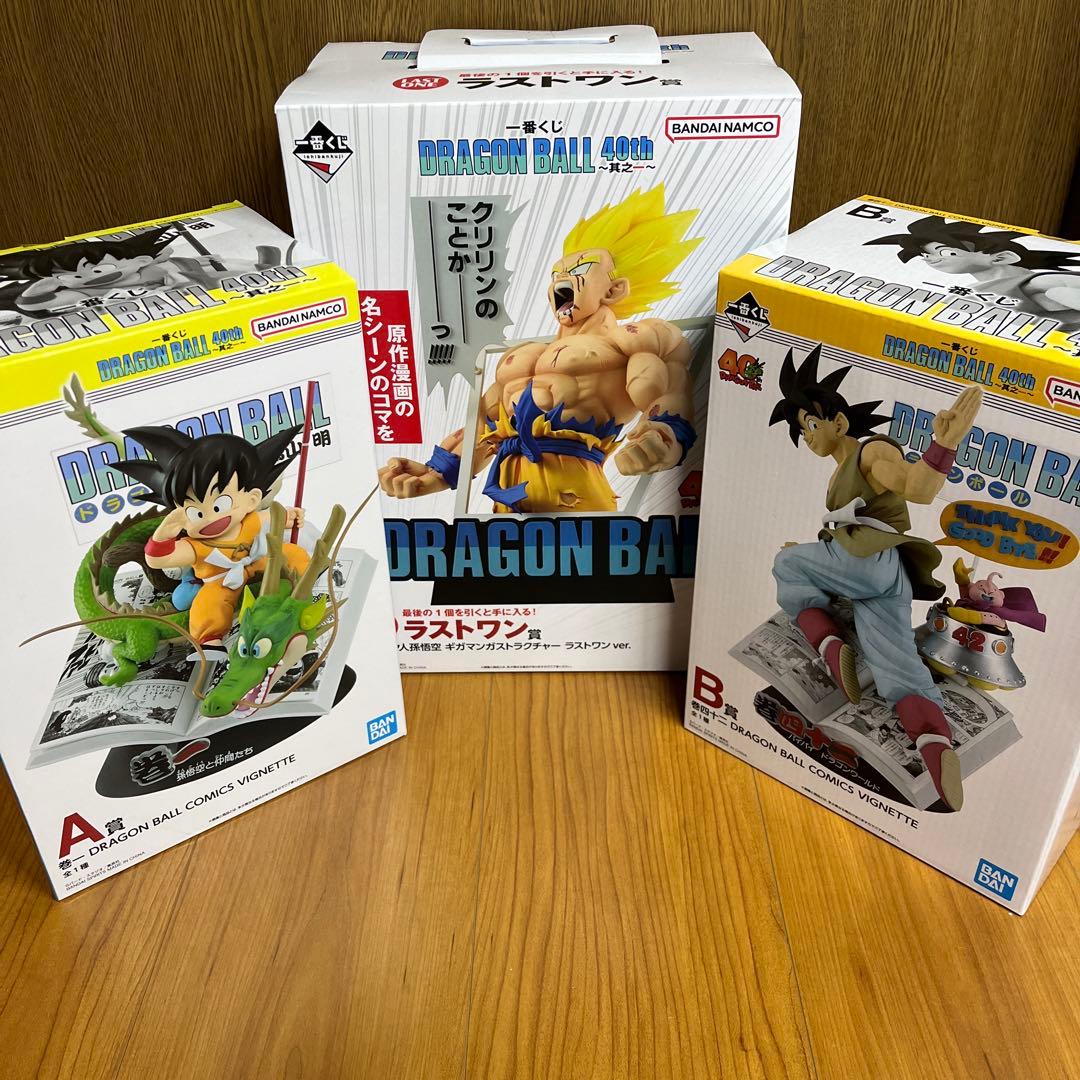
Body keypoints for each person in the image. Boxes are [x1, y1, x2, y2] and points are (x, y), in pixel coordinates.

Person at [378, 185, 702, 512]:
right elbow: (486, 427)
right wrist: (435, 474)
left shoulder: (634, 338)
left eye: (578, 270)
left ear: (614, 289)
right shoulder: (522, 357)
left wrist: (662, 438)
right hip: (506, 501)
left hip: (577, 496)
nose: (560, 279)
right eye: (556, 273)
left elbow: (666, 390)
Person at [769, 344, 982, 810]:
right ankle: (935, 744)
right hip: (889, 577)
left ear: (839, 422)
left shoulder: (872, 452)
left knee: (787, 565)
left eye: (810, 424)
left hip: (870, 563)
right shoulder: (843, 471)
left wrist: (944, 444)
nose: (806, 437)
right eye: (800, 430)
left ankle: (830, 646)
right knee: (897, 664)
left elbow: (917, 488)